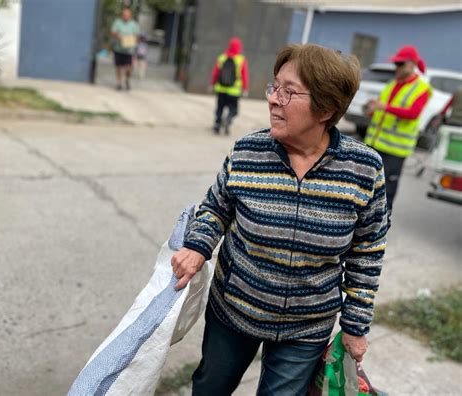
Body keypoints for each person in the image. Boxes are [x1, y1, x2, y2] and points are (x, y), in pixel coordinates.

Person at [171, 44, 388, 395]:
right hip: (234, 312)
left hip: (306, 329)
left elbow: (367, 252)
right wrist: (198, 246)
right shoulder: (247, 152)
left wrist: (356, 324)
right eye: (275, 87)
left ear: (326, 108)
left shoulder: (364, 169)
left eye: (288, 91)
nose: (273, 99)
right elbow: (215, 207)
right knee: (210, 388)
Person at [364, 45, 432, 213]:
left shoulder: (422, 89)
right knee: (366, 185)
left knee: (387, 190)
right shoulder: (392, 83)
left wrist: (384, 107)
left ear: (411, 65)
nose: (396, 68)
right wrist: (372, 110)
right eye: (396, 64)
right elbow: (381, 106)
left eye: (400, 64)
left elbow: (413, 114)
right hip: (375, 143)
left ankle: (382, 222)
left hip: (395, 149)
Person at [210, 37, 249, 135]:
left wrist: (212, 83)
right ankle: (228, 119)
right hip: (234, 91)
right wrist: (245, 88)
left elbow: (216, 72)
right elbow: (244, 75)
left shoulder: (222, 57)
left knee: (220, 108)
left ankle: (217, 125)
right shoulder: (241, 59)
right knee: (233, 110)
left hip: (221, 89)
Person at [110, 8, 140, 90]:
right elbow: (113, 32)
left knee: (129, 68)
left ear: (130, 16)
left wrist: (132, 40)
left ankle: (127, 79)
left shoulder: (134, 25)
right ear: (122, 15)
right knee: (118, 67)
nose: (125, 16)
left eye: (127, 15)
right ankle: (119, 83)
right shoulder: (117, 23)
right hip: (118, 49)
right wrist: (118, 36)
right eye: (124, 15)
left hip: (129, 50)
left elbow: (137, 36)